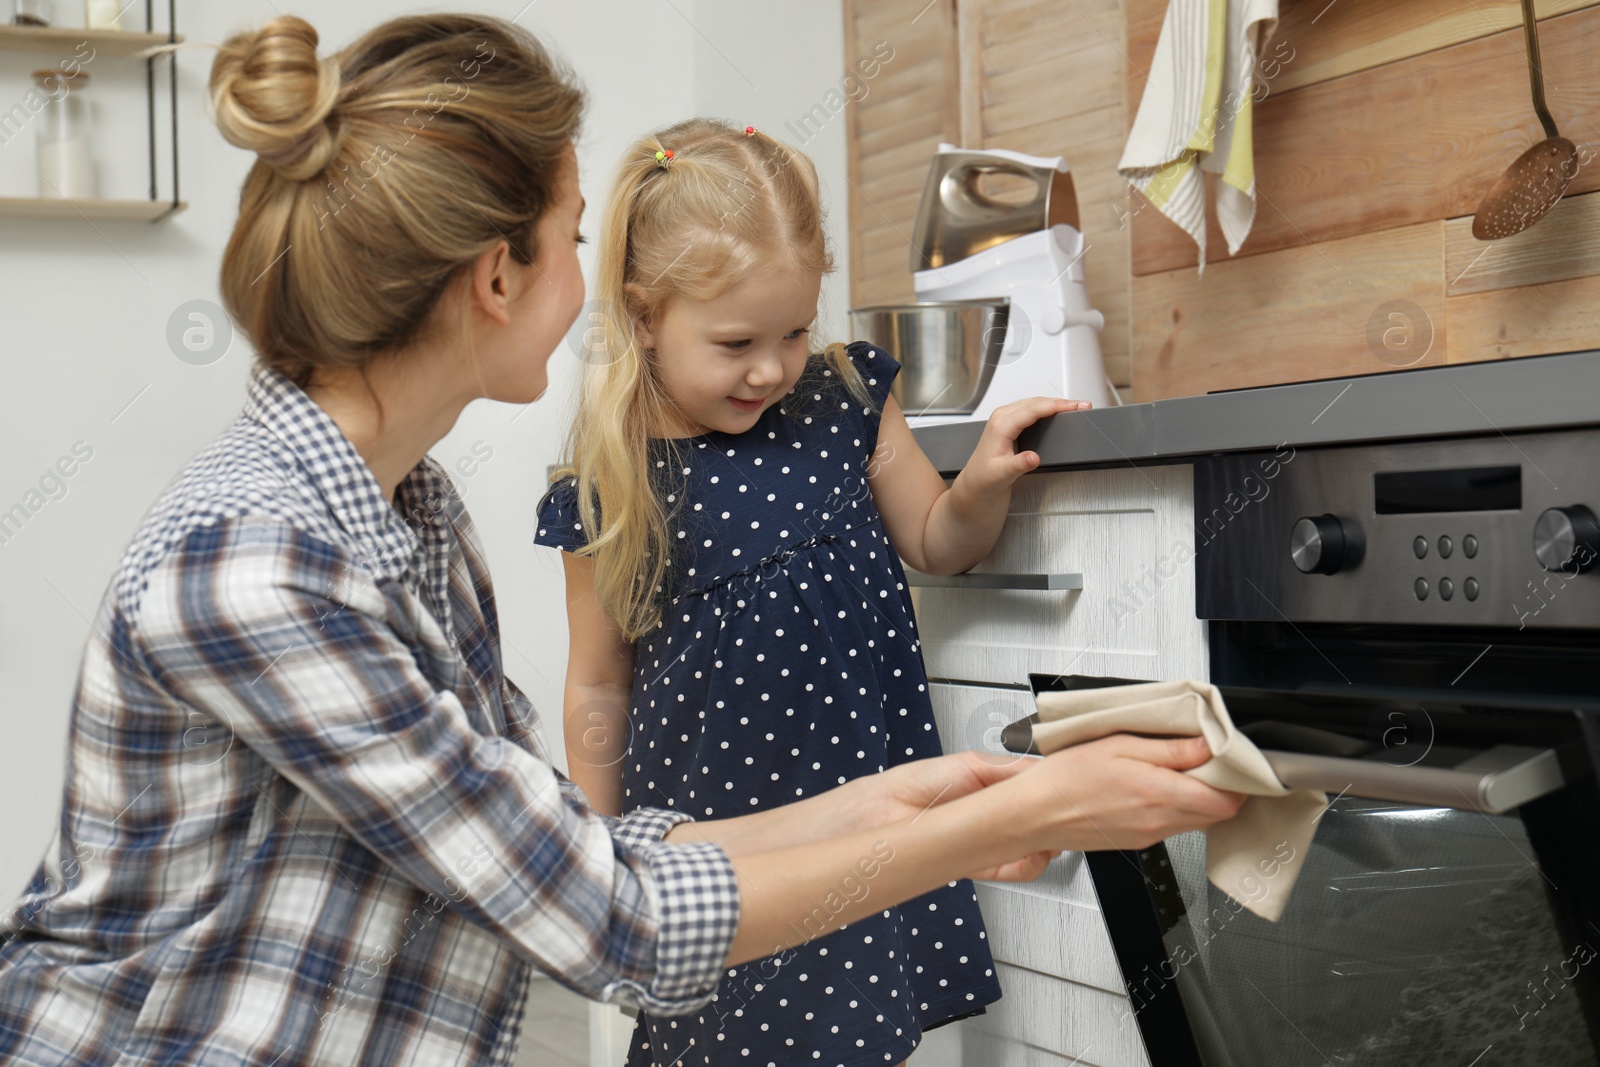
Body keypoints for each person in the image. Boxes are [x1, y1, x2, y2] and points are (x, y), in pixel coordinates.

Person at [0, 14, 1243, 1067]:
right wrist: (1001, 819)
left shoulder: (403, 511)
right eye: (579, 232)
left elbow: (564, 844)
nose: (596, 273)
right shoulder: (261, 565)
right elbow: (610, 921)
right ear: (500, 277)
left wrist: (898, 796)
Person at [534, 118, 1093, 1067]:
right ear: (640, 314)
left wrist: (984, 483)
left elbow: (936, 539)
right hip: (721, 845)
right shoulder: (608, 482)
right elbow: (597, 683)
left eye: (794, 331)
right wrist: (606, 854)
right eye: (736, 341)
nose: (771, 367)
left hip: (866, 808)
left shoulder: (843, 399)